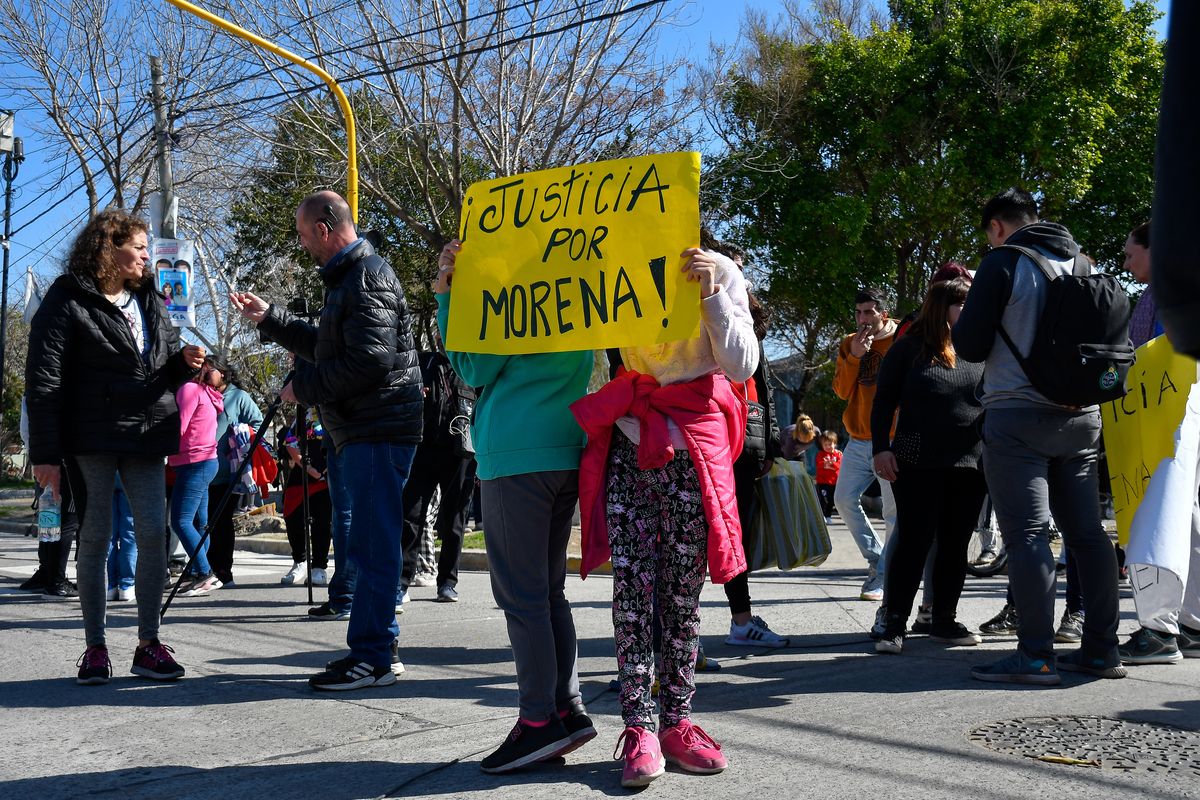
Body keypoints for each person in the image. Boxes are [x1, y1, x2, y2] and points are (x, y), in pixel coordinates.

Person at [573, 243, 756, 788]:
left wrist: (712, 294)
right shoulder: (612, 269)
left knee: (681, 595)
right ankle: (639, 727)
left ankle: (676, 722)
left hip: (694, 447)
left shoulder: (721, 270)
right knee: (632, 590)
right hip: (630, 441)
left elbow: (742, 364)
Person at [231, 191, 423, 691]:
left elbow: (370, 361)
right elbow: (327, 345)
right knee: (366, 543)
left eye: (303, 234)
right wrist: (270, 318)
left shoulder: (367, 276)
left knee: (372, 545)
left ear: (323, 228)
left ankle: (375, 658)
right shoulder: (351, 278)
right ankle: (373, 651)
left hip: (377, 429)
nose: (302, 244)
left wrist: (305, 387)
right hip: (366, 429)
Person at [434, 238, 597, 773]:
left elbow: (472, 368)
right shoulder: (574, 291)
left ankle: (538, 722)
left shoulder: (511, 298)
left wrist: (446, 296)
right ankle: (566, 708)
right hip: (565, 446)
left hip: (515, 453)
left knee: (523, 598)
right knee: (548, 592)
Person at [25, 208, 205, 684]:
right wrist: (45, 455)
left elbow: (161, 364)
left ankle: (149, 644)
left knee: (152, 534)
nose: (147, 256)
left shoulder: (152, 297)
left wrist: (183, 362)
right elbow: (44, 380)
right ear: (110, 247)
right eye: (139, 247)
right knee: (96, 536)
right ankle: (95, 648)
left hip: (147, 433)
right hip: (91, 436)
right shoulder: (67, 297)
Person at [953, 187, 1125, 684]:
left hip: (1018, 415)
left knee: (1028, 535)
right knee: (1088, 535)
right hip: (1083, 418)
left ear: (997, 226)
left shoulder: (1003, 262)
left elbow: (970, 346)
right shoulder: (1084, 263)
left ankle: (1035, 655)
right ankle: (1102, 650)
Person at [870, 277, 986, 654]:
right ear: (942, 307)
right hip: (916, 462)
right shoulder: (907, 349)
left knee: (955, 545)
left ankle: (944, 620)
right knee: (913, 542)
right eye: (963, 304)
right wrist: (880, 449)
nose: (970, 310)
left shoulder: (979, 347)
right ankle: (894, 624)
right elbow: (883, 402)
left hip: (970, 464)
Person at [1118, 220, 1200, 663]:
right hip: (1181, 416)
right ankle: (1191, 625)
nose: (1126, 262)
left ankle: (1159, 631)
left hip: (1168, 419)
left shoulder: (1170, 293)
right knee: (1187, 516)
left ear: (1156, 249)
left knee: (1157, 516)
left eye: (1131, 253)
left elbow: (1156, 352)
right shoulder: (1176, 288)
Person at [833, 287, 899, 601]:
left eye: (869, 312)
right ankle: (877, 560)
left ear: (883, 313)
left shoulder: (901, 338)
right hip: (858, 439)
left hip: (892, 439)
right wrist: (855, 357)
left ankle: (884, 576)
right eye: (859, 312)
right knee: (843, 500)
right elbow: (841, 391)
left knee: (893, 512)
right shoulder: (850, 343)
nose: (863, 319)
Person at [399, 349, 475, 603]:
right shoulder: (424, 362)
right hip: (424, 450)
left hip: (460, 454)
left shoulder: (472, 366)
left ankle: (448, 583)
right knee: (411, 516)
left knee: (454, 520)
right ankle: (401, 583)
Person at [203, 354, 265, 586]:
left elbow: (259, 423)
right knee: (203, 522)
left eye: (209, 370)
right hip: (201, 470)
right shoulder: (201, 393)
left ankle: (223, 571)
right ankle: (205, 571)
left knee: (221, 522)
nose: (204, 375)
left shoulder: (238, 397)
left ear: (223, 373)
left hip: (228, 473)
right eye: (202, 370)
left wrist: (239, 436)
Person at [169, 362, 224, 597]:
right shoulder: (208, 393)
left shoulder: (189, 389)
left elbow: (179, 426)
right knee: (200, 524)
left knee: (181, 521)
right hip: (207, 461)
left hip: (193, 462)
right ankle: (195, 572)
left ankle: (204, 573)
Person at [279, 410, 332, 587]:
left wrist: (324, 469)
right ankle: (299, 561)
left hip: (327, 475)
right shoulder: (305, 412)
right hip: (302, 474)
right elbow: (290, 443)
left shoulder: (335, 409)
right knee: (292, 516)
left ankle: (319, 567)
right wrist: (309, 468)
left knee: (321, 521)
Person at [814, 430, 842, 523]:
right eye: (825, 445)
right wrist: (827, 463)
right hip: (822, 482)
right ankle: (823, 516)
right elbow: (819, 464)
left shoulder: (838, 454)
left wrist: (830, 464)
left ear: (835, 444)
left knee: (831, 500)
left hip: (834, 482)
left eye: (830, 444)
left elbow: (839, 466)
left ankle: (828, 515)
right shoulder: (820, 454)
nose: (828, 447)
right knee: (823, 500)